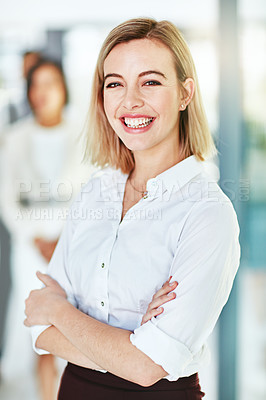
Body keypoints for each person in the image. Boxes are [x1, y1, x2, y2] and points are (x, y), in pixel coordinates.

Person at [24, 18, 240, 400]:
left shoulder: (208, 214)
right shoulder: (95, 193)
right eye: (114, 84)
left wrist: (60, 313)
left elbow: (145, 367)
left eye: (151, 81)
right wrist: (128, 345)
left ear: (186, 93)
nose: (130, 101)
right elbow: (38, 331)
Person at [0, 59, 90, 399]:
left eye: (51, 82)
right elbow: (8, 200)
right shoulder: (15, 138)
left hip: (74, 245)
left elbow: (91, 195)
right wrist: (36, 237)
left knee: (75, 322)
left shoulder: (82, 135)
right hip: (30, 246)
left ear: (63, 88)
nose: (43, 92)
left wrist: (62, 239)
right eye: (36, 84)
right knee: (41, 328)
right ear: (29, 92)